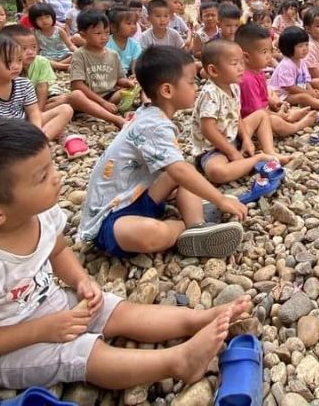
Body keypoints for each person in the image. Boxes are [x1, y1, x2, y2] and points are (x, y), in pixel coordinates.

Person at [0, 118, 251, 391]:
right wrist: (42, 330)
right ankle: (177, 362)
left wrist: (81, 281)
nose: (57, 177)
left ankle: (197, 319)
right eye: (43, 176)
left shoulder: (40, 216)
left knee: (114, 309)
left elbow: (58, 250)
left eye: (51, 165)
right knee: (80, 353)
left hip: (48, 306)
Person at [79, 46, 248, 258]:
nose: (196, 87)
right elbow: (178, 171)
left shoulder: (151, 114)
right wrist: (220, 200)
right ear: (167, 90)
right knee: (152, 233)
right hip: (111, 217)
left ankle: (198, 226)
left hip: (138, 194)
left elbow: (180, 172)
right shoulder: (153, 125)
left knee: (186, 172)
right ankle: (185, 226)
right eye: (191, 82)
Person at [191, 39, 295, 184]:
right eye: (234, 64)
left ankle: (270, 152)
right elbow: (207, 130)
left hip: (232, 135)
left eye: (242, 62)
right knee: (217, 172)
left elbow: (236, 115)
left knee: (261, 115)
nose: (241, 68)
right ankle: (257, 159)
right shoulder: (210, 94)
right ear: (213, 70)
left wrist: (246, 138)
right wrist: (232, 152)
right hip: (213, 147)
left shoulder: (233, 86)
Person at [2, 25, 124, 131]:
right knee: (70, 104)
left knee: (75, 97)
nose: (30, 52)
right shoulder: (2, 67)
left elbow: (42, 89)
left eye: (34, 47)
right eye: (24, 48)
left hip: (39, 104)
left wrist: (38, 113)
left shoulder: (41, 62)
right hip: (16, 110)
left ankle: (115, 119)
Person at [0, 34, 73, 145]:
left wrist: (36, 130)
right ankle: (34, 145)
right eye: (9, 62)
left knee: (66, 109)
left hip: (23, 126)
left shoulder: (24, 84)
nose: (16, 66)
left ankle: (36, 142)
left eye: (19, 60)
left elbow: (33, 112)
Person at [236, 23, 317, 136]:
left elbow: (263, 97)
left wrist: (273, 104)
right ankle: (297, 125)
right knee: (275, 121)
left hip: (262, 110)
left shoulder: (258, 71)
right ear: (246, 56)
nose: (269, 56)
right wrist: (277, 115)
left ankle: (288, 116)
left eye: (271, 50)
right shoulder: (247, 80)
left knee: (272, 94)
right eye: (264, 52)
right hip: (251, 120)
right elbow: (256, 112)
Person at [69, 11, 132, 128]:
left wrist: (128, 83)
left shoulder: (113, 54)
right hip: (89, 98)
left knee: (134, 87)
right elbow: (77, 85)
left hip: (109, 96)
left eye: (107, 32)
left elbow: (119, 79)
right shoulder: (80, 54)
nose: (104, 37)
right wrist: (102, 102)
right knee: (75, 95)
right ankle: (115, 119)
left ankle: (99, 111)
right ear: (83, 35)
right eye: (98, 33)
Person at [270, 27, 319, 113]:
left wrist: (311, 91)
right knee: (304, 97)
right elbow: (290, 87)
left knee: (316, 91)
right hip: (282, 96)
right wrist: (308, 93)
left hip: (296, 89)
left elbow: (306, 81)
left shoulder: (302, 61)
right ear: (288, 48)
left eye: (306, 44)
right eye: (300, 46)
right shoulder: (286, 65)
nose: (305, 48)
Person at [30, 3, 75, 71]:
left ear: (53, 17)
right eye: (40, 18)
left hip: (64, 54)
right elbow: (37, 48)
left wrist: (78, 51)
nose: (44, 20)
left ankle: (57, 66)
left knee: (75, 56)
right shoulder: (35, 33)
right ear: (34, 21)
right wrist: (35, 57)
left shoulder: (59, 30)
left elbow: (70, 45)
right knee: (40, 60)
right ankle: (64, 66)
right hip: (48, 56)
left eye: (47, 17)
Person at [107, 7, 142, 75]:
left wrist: (135, 76)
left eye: (134, 23)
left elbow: (135, 66)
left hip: (127, 75)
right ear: (113, 27)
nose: (133, 27)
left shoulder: (135, 45)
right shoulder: (106, 43)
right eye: (128, 23)